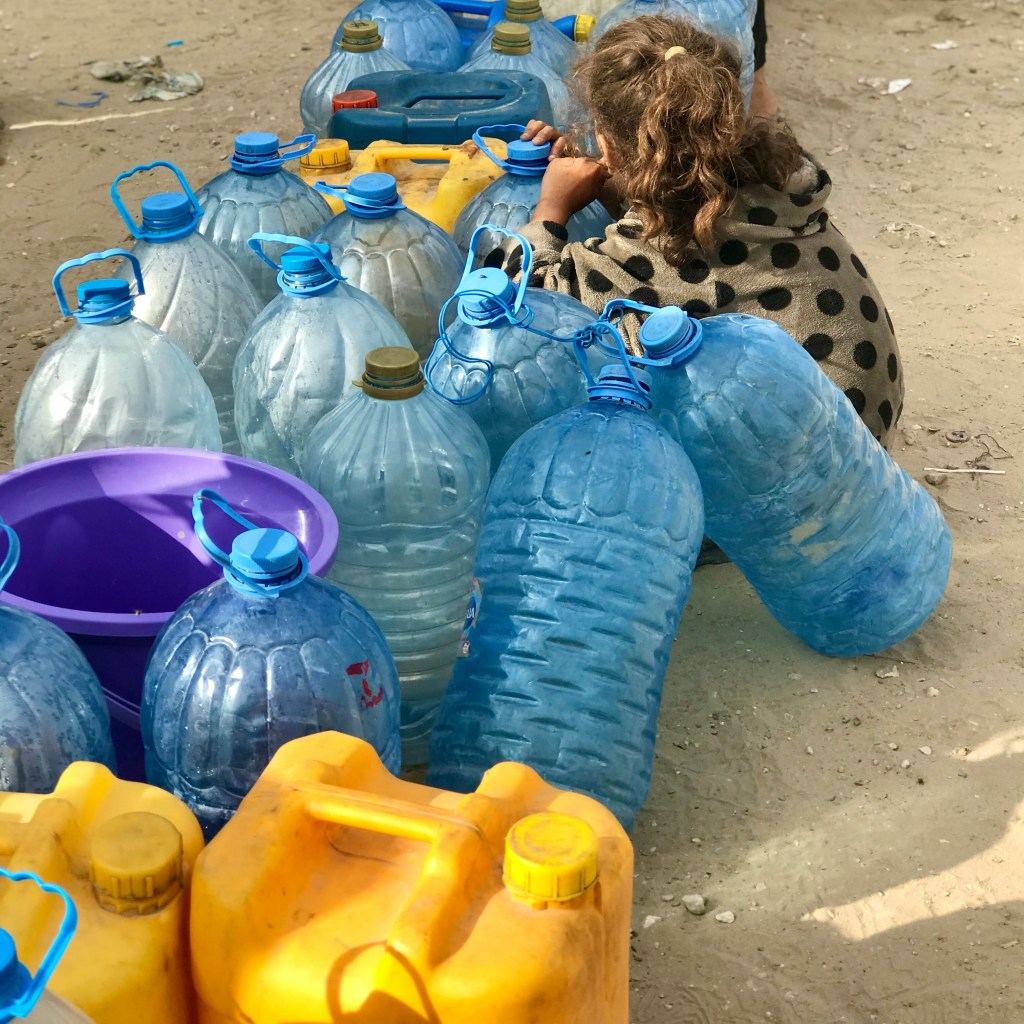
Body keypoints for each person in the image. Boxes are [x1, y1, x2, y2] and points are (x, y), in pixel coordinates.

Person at [490, 15, 903, 447]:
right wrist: (605, 182)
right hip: (861, 422)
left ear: (608, 144)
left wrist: (552, 205)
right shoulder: (778, 183)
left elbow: (522, 304)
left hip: (808, 469)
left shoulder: (671, 248)